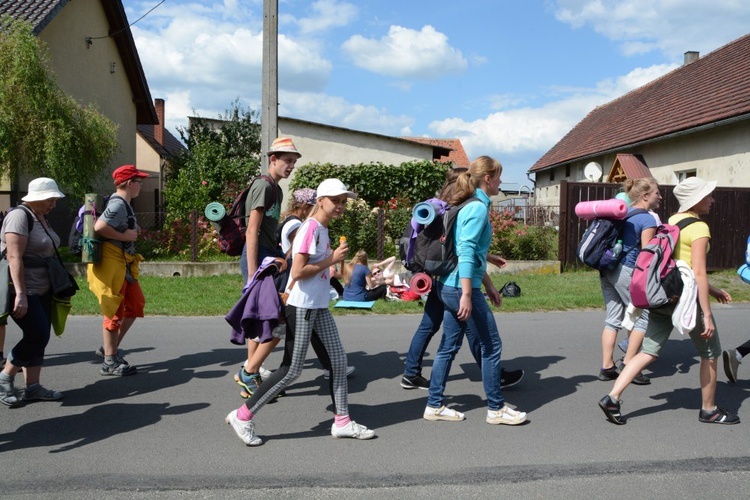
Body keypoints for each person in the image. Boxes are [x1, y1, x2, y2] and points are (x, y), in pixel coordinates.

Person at [225, 178, 376, 446]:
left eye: (343, 201)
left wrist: (329, 265)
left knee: (338, 362)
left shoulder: (322, 228)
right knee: (291, 370)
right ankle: (243, 415)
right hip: (304, 306)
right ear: (320, 201)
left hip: (318, 306)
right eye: (335, 201)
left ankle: (342, 421)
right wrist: (332, 260)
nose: (340, 206)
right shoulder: (310, 228)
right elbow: (298, 271)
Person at [599, 177, 740, 425]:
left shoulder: (673, 220)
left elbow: (677, 264)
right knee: (710, 352)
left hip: (664, 293)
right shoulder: (699, 228)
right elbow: (697, 272)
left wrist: (714, 290)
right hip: (686, 299)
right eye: (709, 196)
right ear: (696, 200)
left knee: (649, 351)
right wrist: (706, 314)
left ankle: (612, 397)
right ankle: (709, 410)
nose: (713, 200)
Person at [424, 156, 527, 425]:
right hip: (460, 288)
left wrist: (490, 285)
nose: (502, 182)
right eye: (499, 177)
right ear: (488, 179)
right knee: (491, 346)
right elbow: (466, 252)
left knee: (448, 346)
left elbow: (473, 252)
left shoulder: (468, 204)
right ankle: (496, 408)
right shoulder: (477, 208)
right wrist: (470, 294)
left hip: (447, 285)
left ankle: (434, 405)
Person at [401, 168, 523, 390]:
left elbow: (456, 248)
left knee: (432, 329)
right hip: (454, 281)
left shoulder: (446, 205)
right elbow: (462, 251)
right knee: (477, 335)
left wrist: (487, 259)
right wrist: (471, 291)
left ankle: (416, 378)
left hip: (440, 277)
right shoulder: (463, 206)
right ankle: (495, 381)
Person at [234, 137, 299, 398]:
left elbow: (269, 231)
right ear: (273, 159)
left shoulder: (277, 189)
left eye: (294, 162)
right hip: (257, 259)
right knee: (274, 318)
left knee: (260, 318)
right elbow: (252, 230)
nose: (291, 166)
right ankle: (249, 373)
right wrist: (252, 274)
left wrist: (281, 254)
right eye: (287, 161)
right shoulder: (263, 185)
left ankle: (252, 374)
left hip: (268, 257)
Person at [0, 178, 66, 406]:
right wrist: (20, 293)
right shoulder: (19, 216)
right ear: (37, 198)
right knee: (37, 334)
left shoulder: (40, 217)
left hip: (43, 287)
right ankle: (5, 376)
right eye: (50, 199)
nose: (53, 204)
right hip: (22, 289)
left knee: (40, 339)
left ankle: (33, 387)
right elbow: (13, 257)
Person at [596, 178, 661, 385]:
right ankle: (629, 364)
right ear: (645, 196)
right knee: (643, 316)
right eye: (657, 193)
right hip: (626, 270)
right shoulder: (648, 219)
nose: (660, 196)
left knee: (612, 318)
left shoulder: (623, 213)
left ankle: (607, 367)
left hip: (607, 268)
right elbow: (647, 255)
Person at [88, 165, 148, 376]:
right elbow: (100, 227)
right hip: (114, 262)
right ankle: (109, 361)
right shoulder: (118, 204)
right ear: (129, 183)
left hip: (124, 263)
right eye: (139, 182)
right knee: (114, 310)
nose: (141, 185)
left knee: (135, 304)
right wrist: (127, 236)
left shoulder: (124, 204)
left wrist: (132, 230)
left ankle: (108, 349)